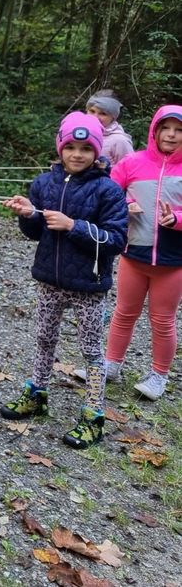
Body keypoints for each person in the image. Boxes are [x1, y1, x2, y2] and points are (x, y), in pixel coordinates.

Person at [0, 112, 128, 448]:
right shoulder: (44, 184)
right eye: (69, 146)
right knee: (43, 337)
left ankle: (93, 415)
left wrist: (74, 226)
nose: (76, 154)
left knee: (90, 350)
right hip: (49, 281)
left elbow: (116, 240)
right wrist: (28, 214)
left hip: (88, 285)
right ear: (60, 148)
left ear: (96, 151)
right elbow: (35, 232)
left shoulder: (108, 190)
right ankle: (37, 393)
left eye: (86, 148)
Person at [104, 105, 182, 401]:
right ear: (155, 130)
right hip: (133, 254)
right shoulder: (132, 162)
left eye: (179, 130)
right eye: (166, 128)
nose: (171, 135)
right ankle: (111, 366)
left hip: (173, 262)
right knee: (124, 313)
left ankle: (158, 376)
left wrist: (176, 219)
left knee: (163, 320)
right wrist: (124, 205)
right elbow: (108, 195)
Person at [86, 89, 134, 166]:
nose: (95, 117)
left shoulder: (119, 141)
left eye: (103, 113)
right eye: (92, 111)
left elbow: (130, 168)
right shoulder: (82, 134)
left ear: (113, 117)